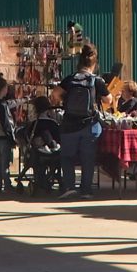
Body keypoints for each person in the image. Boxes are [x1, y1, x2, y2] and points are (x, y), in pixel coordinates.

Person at [56, 48, 108, 197]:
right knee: (88, 158)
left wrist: (67, 100)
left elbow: (55, 94)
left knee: (67, 156)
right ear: (95, 63)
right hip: (90, 125)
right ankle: (86, 190)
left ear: (79, 61)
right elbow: (108, 100)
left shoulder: (70, 78)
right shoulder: (97, 81)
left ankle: (69, 187)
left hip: (69, 124)